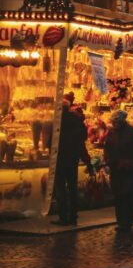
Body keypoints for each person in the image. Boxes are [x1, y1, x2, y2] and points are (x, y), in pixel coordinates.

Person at [52, 93, 92, 226]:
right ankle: (73, 216)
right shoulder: (77, 122)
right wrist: (87, 161)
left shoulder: (57, 121)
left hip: (59, 158)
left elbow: (51, 141)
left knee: (60, 188)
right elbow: (82, 142)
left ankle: (63, 217)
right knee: (72, 187)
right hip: (73, 158)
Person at [103, 110, 133, 232]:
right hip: (116, 169)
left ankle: (127, 222)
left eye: (115, 121)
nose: (114, 123)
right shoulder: (112, 132)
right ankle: (120, 221)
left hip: (130, 170)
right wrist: (108, 161)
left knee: (127, 196)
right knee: (118, 196)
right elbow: (107, 147)